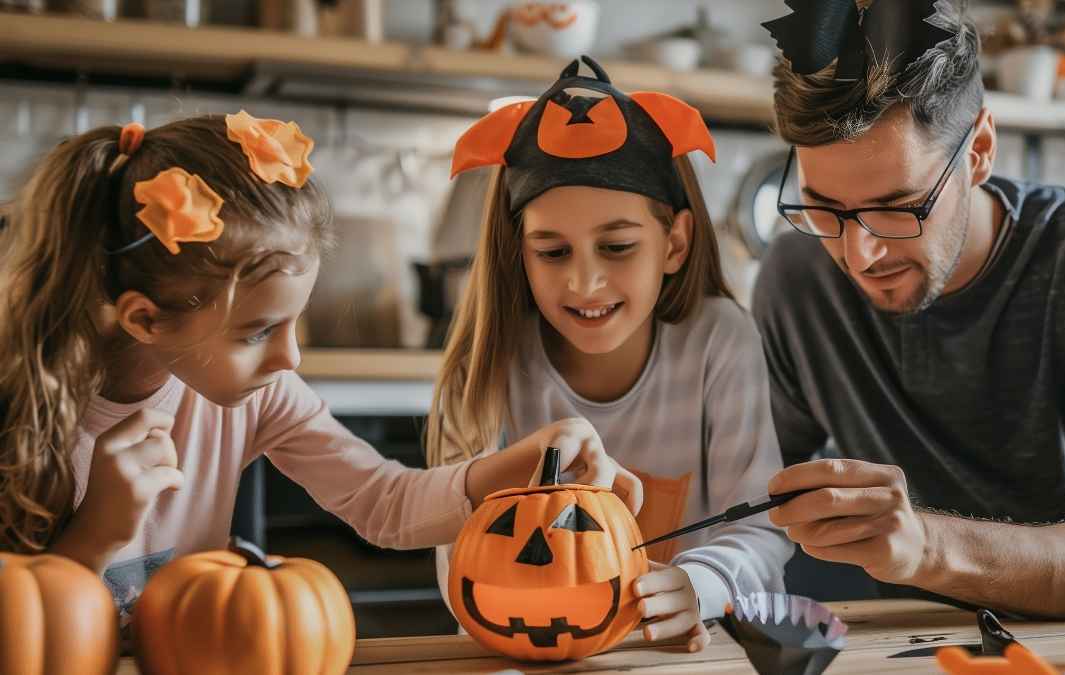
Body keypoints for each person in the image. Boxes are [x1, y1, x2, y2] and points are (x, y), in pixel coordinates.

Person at [0, 112, 637, 624]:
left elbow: (383, 504)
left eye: (293, 323)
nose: (291, 358)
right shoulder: (24, 403)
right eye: (258, 331)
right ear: (145, 320)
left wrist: (528, 458)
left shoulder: (261, 394)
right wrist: (96, 536)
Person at [755, 0, 1065, 618]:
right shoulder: (796, 274)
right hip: (897, 645)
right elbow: (743, 489)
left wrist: (927, 547)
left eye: (899, 206)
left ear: (980, 149)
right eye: (823, 207)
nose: (860, 254)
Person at [426, 56, 793, 651]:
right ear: (519, 253)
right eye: (553, 252)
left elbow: (761, 532)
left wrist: (697, 585)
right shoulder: (488, 367)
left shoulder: (719, 342)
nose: (585, 284)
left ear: (673, 242)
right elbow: (463, 573)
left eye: (617, 246)